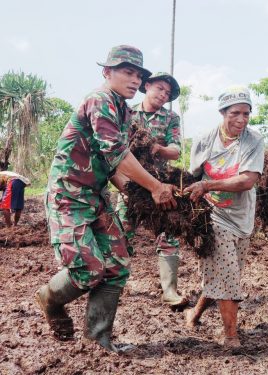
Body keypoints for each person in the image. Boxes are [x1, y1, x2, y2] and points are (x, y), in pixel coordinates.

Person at [35, 45, 177, 352]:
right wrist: (154, 186)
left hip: (95, 195)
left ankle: (99, 341)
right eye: (127, 72)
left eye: (138, 75)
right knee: (88, 270)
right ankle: (49, 299)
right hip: (68, 195)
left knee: (116, 265)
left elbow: (112, 163)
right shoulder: (99, 100)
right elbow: (116, 152)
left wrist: (132, 191)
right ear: (107, 72)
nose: (134, 80)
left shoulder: (124, 111)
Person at [183, 86, 264, 348]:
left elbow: (247, 181)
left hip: (242, 216)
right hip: (212, 216)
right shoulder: (205, 140)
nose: (241, 119)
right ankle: (231, 336)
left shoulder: (253, 141)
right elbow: (192, 175)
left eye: (246, 113)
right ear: (222, 113)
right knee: (227, 274)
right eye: (235, 113)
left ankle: (195, 313)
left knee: (227, 274)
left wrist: (208, 185)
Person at [115, 72, 188, 309]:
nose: (163, 95)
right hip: (130, 185)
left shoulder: (170, 118)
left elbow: (176, 150)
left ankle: (169, 291)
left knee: (168, 235)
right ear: (147, 86)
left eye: (167, 94)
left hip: (159, 184)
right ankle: (115, 286)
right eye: (159, 89)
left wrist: (157, 148)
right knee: (123, 233)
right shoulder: (127, 112)